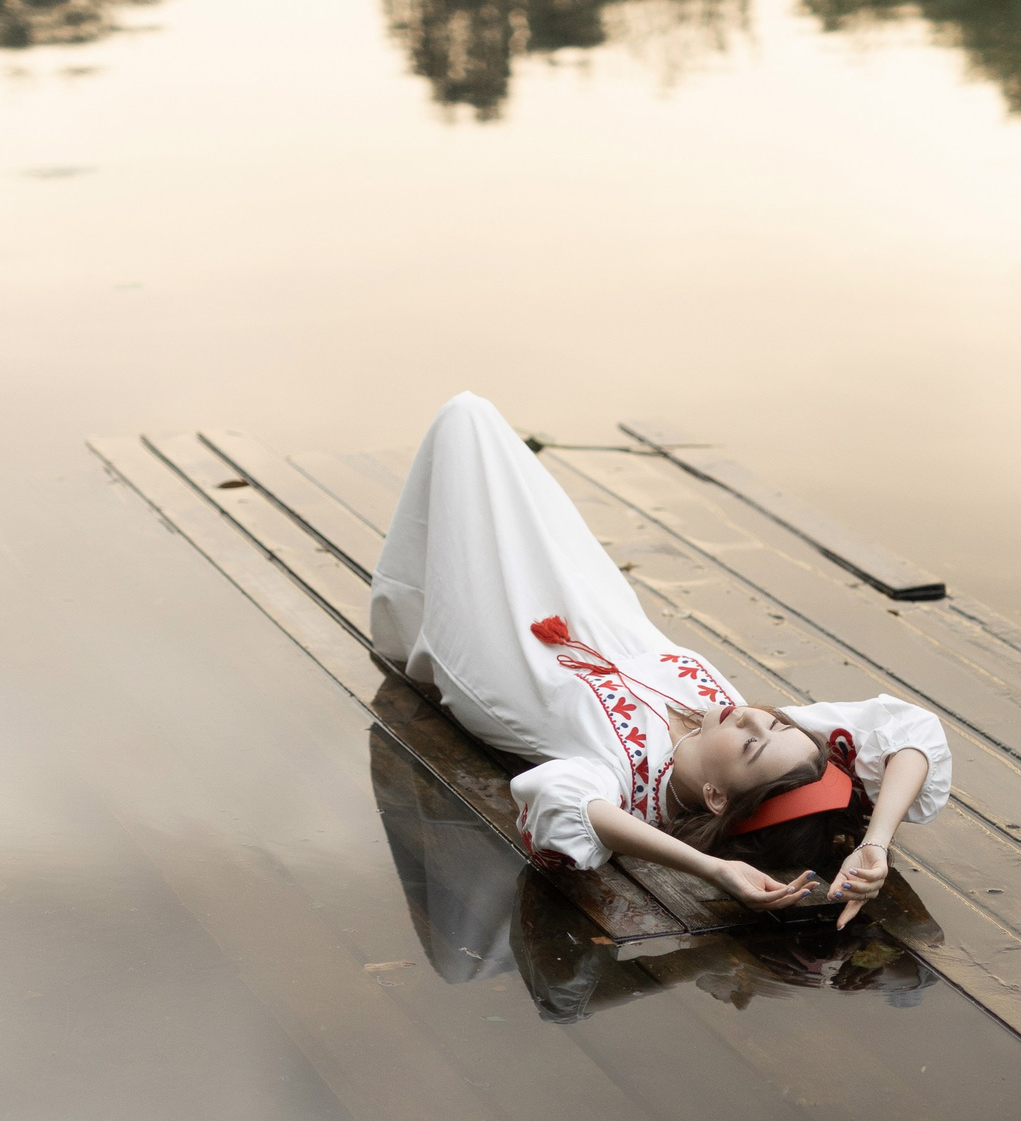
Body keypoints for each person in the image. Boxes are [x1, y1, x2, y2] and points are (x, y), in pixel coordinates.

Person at [369, 392, 950, 924]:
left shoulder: (625, 784)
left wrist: (712, 868)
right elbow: (909, 731)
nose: (753, 716)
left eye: (753, 742)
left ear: (718, 797)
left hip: (510, 648)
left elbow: (558, 805)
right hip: (597, 609)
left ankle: (408, 617)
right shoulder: (750, 734)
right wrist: (875, 840)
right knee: (481, 427)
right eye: (772, 721)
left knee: (463, 430)